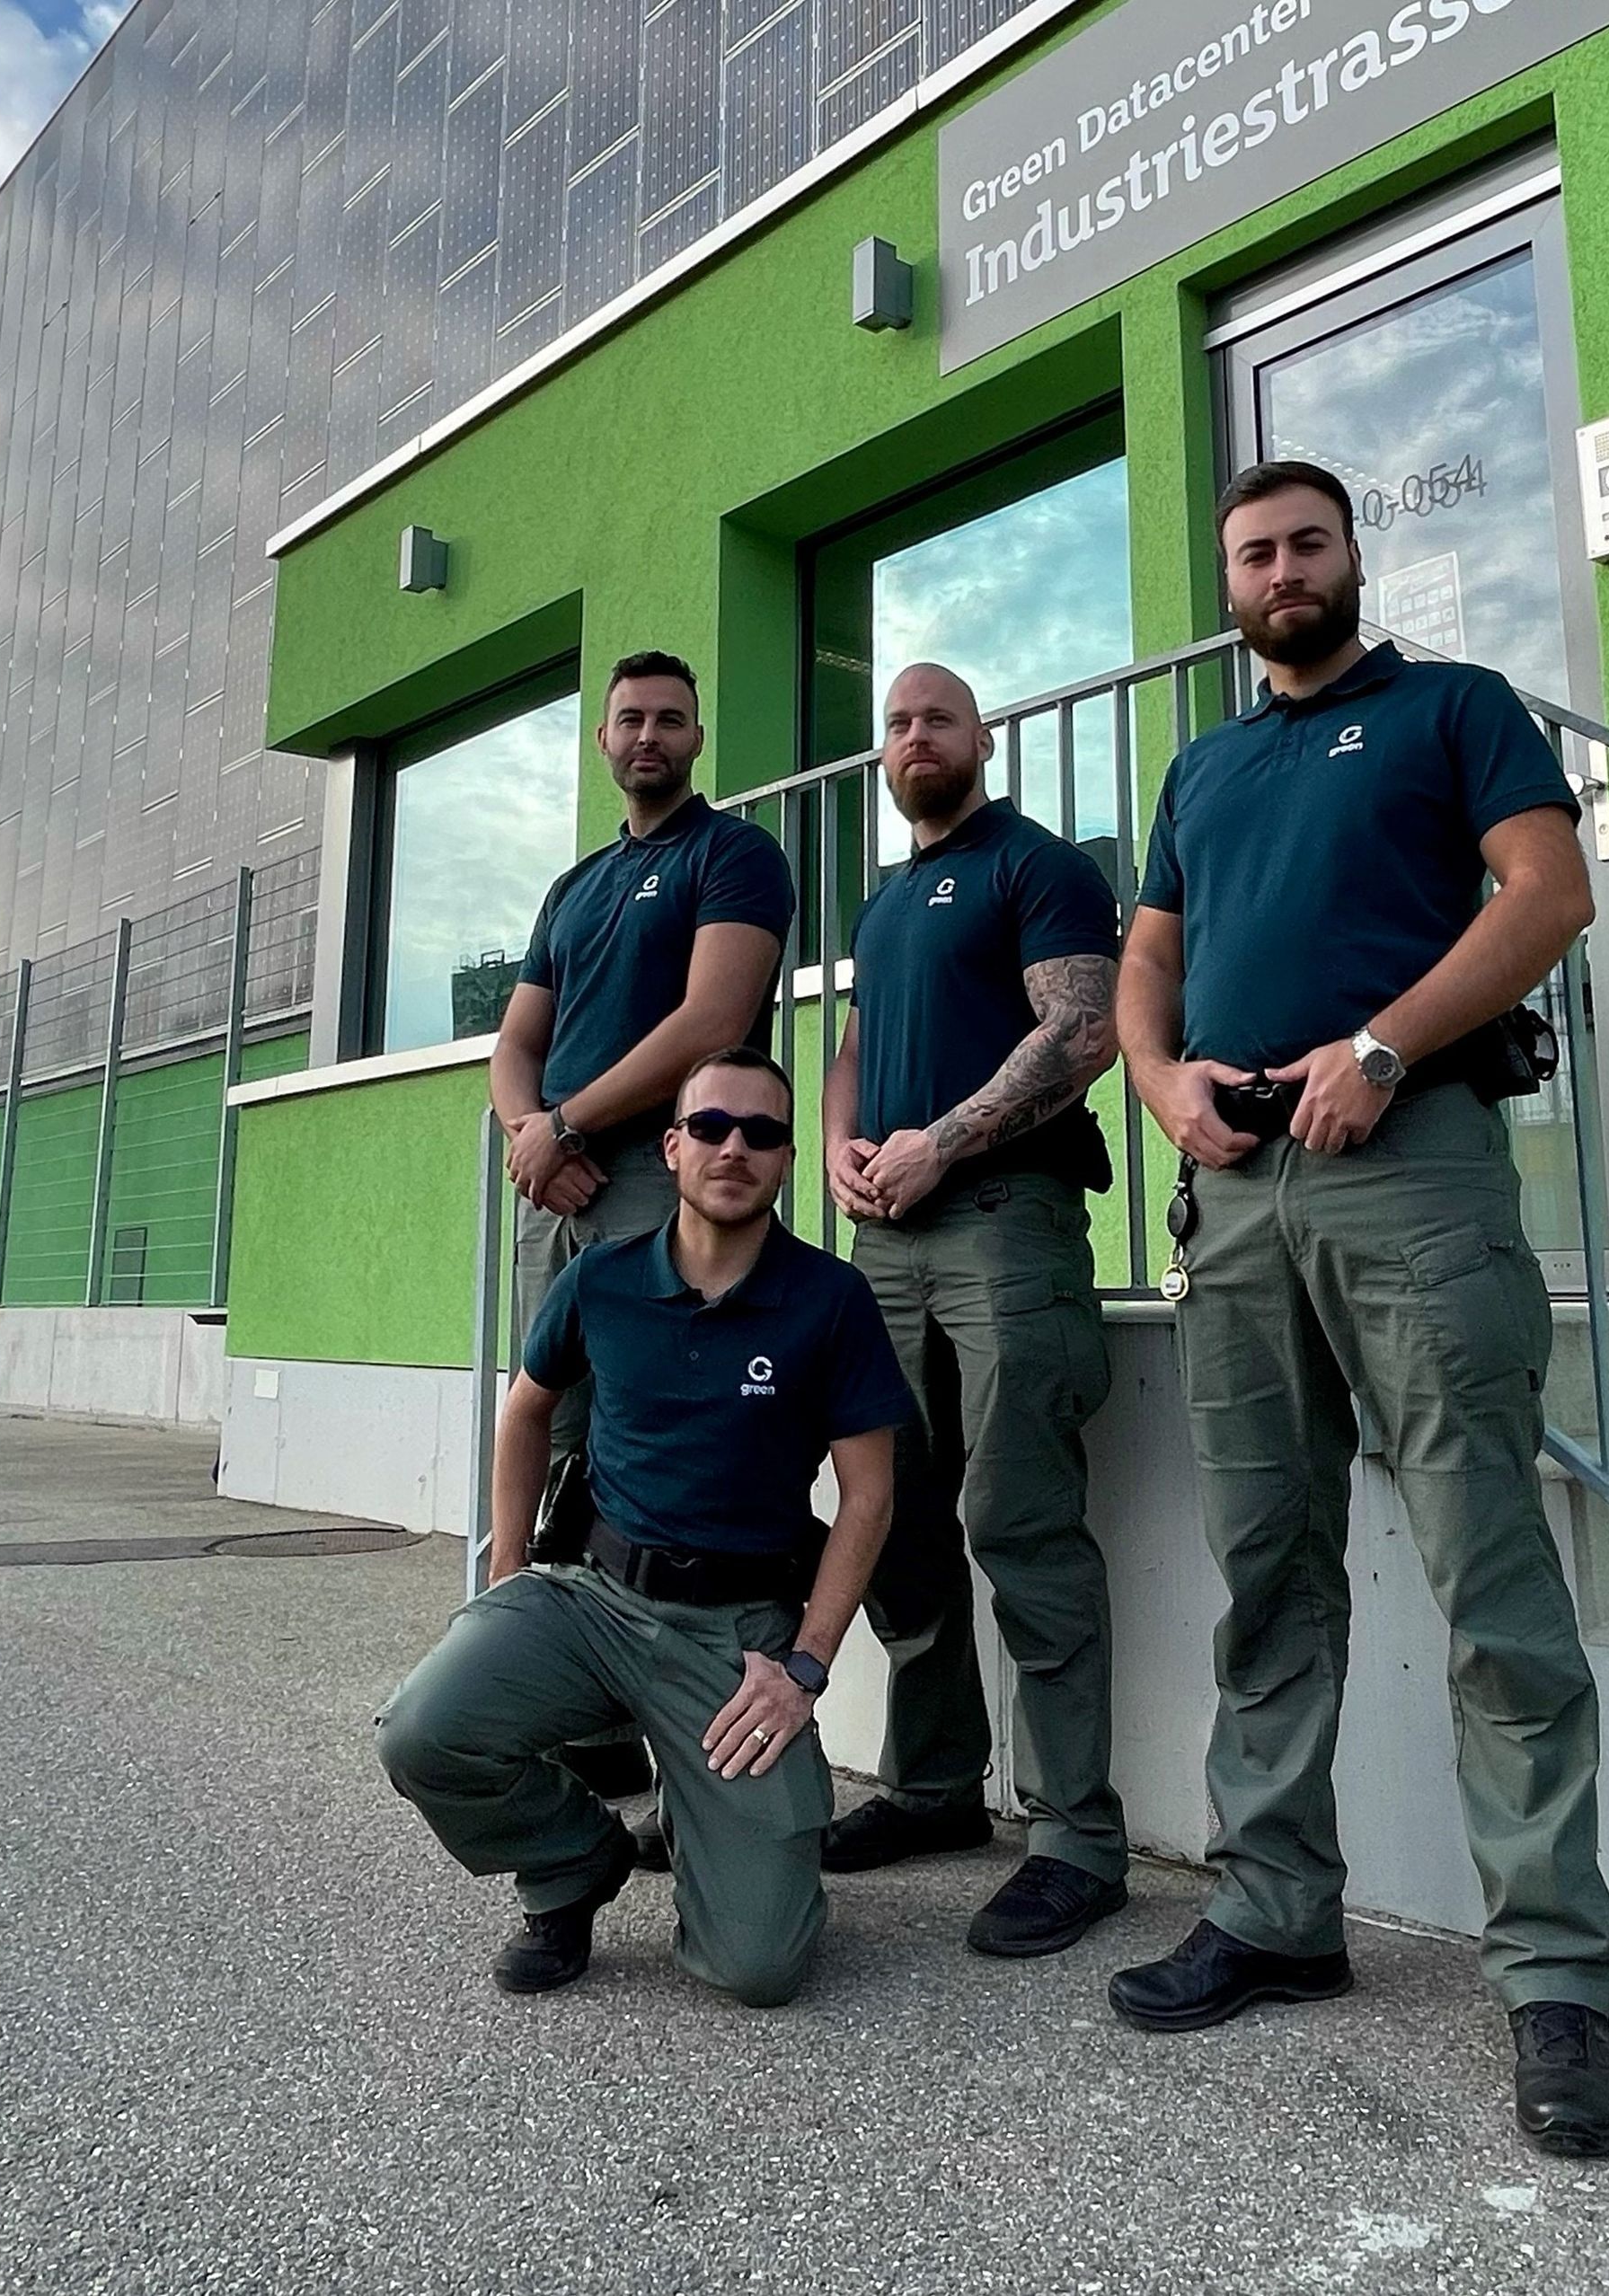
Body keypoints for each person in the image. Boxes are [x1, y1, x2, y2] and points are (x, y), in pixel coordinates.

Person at [1111, 459, 1609, 2158]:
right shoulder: (1199, 765)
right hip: (1237, 1186)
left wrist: (1386, 1045)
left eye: (1304, 544)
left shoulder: (1453, 711)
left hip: (1406, 1166)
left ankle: (1551, 1977)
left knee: (1485, 1561)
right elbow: (1146, 962)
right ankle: (1275, 1910)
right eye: (1251, 552)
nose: (1278, 571)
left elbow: (1545, 895)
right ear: (1230, 582)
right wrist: (1156, 1081)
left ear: (1351, 557)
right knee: (1267, 1566)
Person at [376, 1048, 911, 2007]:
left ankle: (707, 1816)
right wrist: (506, 1571)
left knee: (757, 1968)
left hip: (734, 1635)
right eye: (709, 1126)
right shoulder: (600, 1280)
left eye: (761, 1132)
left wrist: (804, 1669)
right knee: (423, 1732)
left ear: (788, 1158)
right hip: (594, 1597)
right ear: (670, 1148)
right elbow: (525, 1410)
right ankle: (571, 1862)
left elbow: (867, 1495)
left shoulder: (831, 1301)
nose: (733, 1147)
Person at [815, 662, 1133, 1959]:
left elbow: (1085, 1033)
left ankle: (1075, 1836)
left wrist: (943, 1140)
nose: (913, 739)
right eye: (895, 725)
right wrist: (839, 1145)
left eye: (936, 718)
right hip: (885, 1241)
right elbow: (853, 1045)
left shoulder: (1037, 866)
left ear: (980, 740)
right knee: (892, 1522)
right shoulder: (886, 902)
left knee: (1019, 1520)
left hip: (1005, 1226)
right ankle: (934, 1787)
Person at [488, 649, 792, 1808]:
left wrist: (562, 1123)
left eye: (671, 719)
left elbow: (713, 1017)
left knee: (672, 1453)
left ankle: (689, 1764)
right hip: (556, 1189)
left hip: (663, 1188)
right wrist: (531, 1133)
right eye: (630, 720)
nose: (649, 735)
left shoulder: (733, 856)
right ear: (603, 741)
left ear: (697, 740)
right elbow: (515, 1041)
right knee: (556, 1437)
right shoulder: (572, 891)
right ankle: (569, 1716)